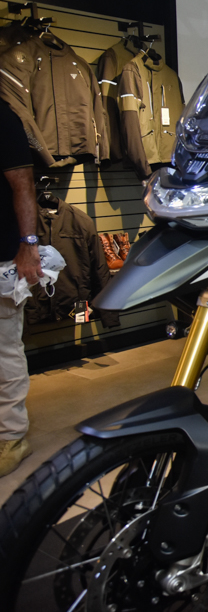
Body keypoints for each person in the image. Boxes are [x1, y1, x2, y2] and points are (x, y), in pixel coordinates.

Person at [0, 98, 42, 477]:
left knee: (4, 349)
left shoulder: (3, 117)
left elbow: (23, 184)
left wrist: (29, 245)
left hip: (3, 256)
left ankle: (12, 437)